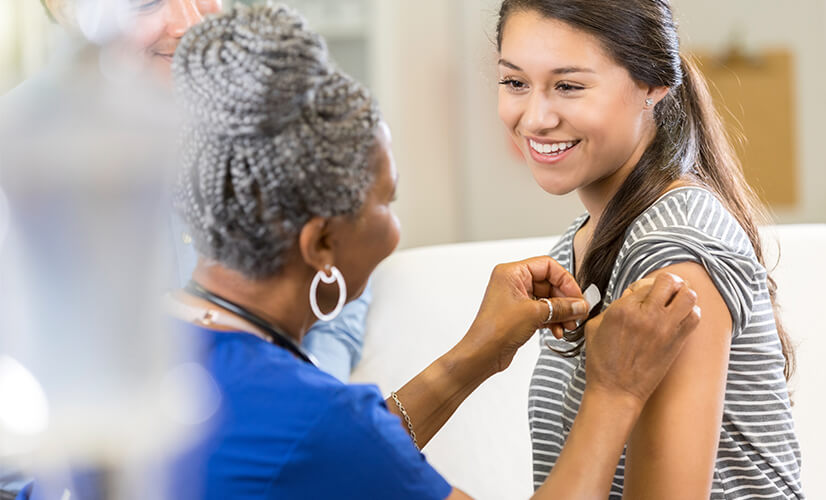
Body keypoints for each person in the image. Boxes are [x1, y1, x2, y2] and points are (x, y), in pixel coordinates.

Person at [19, 4, 703, 499]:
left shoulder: (163, 343)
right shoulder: (314, 420)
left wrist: (475, 356)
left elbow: (331, 460)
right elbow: (336, 446)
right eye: (385, 200)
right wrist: (615, 390)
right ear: (320, 243)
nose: (395, 224)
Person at [493, 1, 803, 498]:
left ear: (653, 84)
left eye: (569, 85)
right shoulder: (582, 239)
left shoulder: (671, 252)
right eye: (515, 82)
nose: (535, 117)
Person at [34, 0, 368, 381]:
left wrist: (314, 384)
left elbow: (337, 269)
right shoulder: (26, 165)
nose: (192, 23)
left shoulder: (266, 111)